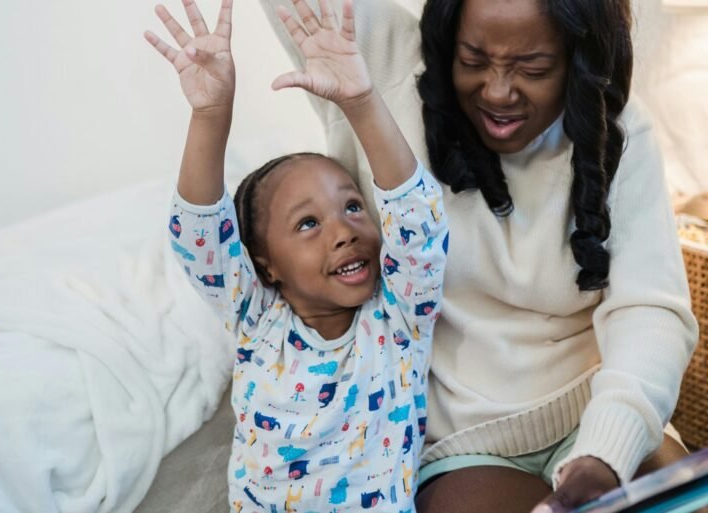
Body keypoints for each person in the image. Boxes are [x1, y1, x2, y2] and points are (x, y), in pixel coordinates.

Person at [259, 0, 699, 512]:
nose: (496, 91)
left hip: (600, 410)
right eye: (472, 60)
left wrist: (606, 451)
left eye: (532, 68)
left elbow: (650, 313)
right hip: (467, 444)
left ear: (578, 58)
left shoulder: (619, 130)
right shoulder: (385, 70)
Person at [145, 0, 449, 510]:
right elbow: (198, 234)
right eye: (308, 223)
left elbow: (418, 219)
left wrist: (361, 102)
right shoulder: (256, 320)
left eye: (353, 207)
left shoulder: (398, 321)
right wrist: (210, 113)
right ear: (267, 264)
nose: (344, 231)